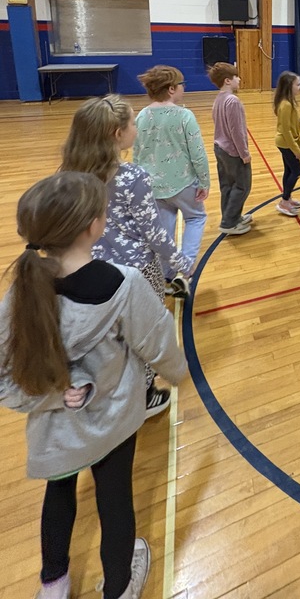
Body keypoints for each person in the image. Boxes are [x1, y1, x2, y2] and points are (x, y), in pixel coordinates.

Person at [0, 171, 187, 599]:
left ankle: (54, 585)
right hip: (113, 423)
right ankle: (119, 587)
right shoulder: (126, 285)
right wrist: (177, 375)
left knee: (59, 494)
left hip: (54, 431)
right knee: (115, 498)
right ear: (93, 227)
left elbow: (4, 378)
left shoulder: (22, 289)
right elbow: (159, 343)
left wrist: (49, 396)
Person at [61, 95, 189, 414]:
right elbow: (154, 232)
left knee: (110, 336)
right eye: (132, 123)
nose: (136, 127)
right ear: (118, 135)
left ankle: (106, 388)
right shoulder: (133, 178)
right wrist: (178, 261)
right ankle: (144, 395)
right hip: (136, 273)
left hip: (91, 268)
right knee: (142, 335)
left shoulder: (68, 176)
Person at [134, 65, 210, 275]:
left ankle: (166, 274)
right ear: (171, 89)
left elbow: (137, 152)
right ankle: (185, 266)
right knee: (196, 218)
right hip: (182, 183)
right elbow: (198, 154)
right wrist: (204, 182)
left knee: (164, 232)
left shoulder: (141, 116)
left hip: (153, 186)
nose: (183, 88)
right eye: (181, 85)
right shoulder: (185, 116)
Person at [208, 62, 252, 235]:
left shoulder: (218, 99)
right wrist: (244, 153)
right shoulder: (232, 101)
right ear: (227, 80)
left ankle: (232, 216)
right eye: (236, 77)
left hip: (219, 147)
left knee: (227, 186)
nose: (239, 79)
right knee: (242, 186)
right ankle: (228, 223)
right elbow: (237, 131)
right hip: (233, 151)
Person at [273, 70, 300, 217]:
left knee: (289, 170)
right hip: (285, 143)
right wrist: (296, 149)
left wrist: (299, 143)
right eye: (297, 85)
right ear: (289, 87)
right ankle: (284, 201)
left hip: (286, 142)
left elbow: (293, 127)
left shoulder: (289, 102)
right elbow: (286, 131)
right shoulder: (285, 105)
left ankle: (287, 198)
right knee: (297, 171)